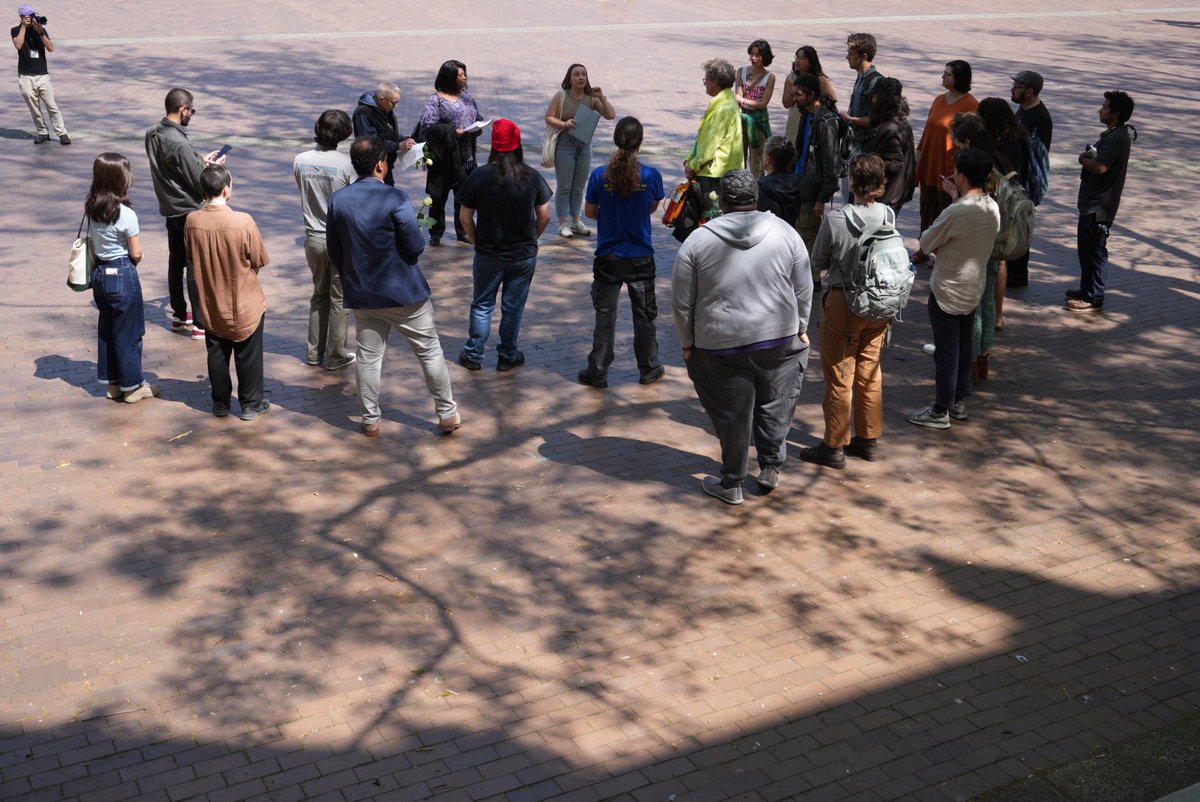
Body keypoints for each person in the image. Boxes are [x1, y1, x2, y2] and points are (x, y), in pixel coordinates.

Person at [671, 169, 813, 505]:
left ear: (721, 199)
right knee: (776, 404)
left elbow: (681, 302)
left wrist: (687, 343)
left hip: (719, 344)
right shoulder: (785, 232)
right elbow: (803, 286)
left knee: (731, 415)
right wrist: (803, 326)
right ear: (756, 196)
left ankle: (732, 483)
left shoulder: (698, 241)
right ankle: (770, 467)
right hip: (779, 338)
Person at [326, 136, 461, 437]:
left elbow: (334, 251)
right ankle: (447, 413)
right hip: (404, 292)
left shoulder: (338, 199)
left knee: (368, 357)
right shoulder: (395, 197)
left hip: (363, 293)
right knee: (429, 351)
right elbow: (415, 244)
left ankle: (370, 419)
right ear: (380, 165)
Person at [800, 155, 893, 468]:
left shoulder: (837, 219)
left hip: (844, 300)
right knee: (870, 371)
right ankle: (868, 439)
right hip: (880, 304)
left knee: (840, 373)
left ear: (852, 182)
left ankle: (834, 445)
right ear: (880, 184)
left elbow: (818, 260)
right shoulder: (888, 215)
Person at [907, 149, 1000, 429]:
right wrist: (955, 197)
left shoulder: (957, 211)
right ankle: (958, 401)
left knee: (947, 350)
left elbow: (926, 242)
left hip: (948, 287)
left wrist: (953, 204)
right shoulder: (991, 206)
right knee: (963, 345)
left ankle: (940, 410)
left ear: (961, 175)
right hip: (974, 287)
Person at [456, 119, 553, 372]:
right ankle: (507, 355)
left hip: (488, 253)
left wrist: (477, 241)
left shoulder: (479, 175)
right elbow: (545, 215)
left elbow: (465, 217)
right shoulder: (531, 176)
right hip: (523, 255)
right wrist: (533, 237)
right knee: (513, 307)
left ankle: (474, 354)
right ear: (518, 144)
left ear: (493, 147)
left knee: (482, 304)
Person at [577, 117, 666, 388]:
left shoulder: (599, 174)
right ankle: (649, 368)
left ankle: (598, 371)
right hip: (640, 255)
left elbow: (589, 212)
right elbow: (652, 206)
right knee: (645, 315)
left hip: (609, 257)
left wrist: (610, 214)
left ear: (616, 139)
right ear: (640, 140)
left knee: (605, 315)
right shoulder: (651, 175)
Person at [184, 165, 272, 421]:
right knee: (249, 353)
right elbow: (259, 258)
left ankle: (220, 403)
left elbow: (190, 254)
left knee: (217, 352)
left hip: (211, 299)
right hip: (245, 300)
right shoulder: (243, 221)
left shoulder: (192, 221)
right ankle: (250, 404)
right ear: (226, 189)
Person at [145, 87, 224, 341]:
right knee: (194, 266)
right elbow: (198, 181)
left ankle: (179, 315)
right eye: (192, 110)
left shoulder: (153, 132)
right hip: (189, 209)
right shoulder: (179, 142)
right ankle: (200, 322)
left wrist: (201, 160)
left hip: (170, 207)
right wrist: (212, 169)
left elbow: (175, 167)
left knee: (175, 261)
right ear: (183, 109)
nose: (192, 114)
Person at [85, 153, 157, 404]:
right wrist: (138, 256)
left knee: (107, 329)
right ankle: (133, 386)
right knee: (130, 332)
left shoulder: (92, 206)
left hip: (100, 274)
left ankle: (112, 383)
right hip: (122, 272)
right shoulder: (125, 213)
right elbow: (136, 253)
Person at [294, 110, 357, 372]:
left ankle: (313, 352)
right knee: (340, 298)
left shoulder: (300, 160)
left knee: (319, 294)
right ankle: (335, 355)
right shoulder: (345, 165)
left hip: (313, 238)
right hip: (340, 239)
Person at [1067, 91, 1135, 313]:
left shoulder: (1116, 138)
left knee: (1094, 251)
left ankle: (1093, 297)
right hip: (1094, 203)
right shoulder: (1116, 134)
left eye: (1105, 107)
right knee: (1086, 251)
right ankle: (1087, 289)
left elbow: (1101, 167)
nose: (1100, 109)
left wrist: (1084, 159)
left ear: (1115, 114)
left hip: (1099, 206)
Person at [912, 61, 978, 263]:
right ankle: (924, 247)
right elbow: (927, 131)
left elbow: (971, 140)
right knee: (927, 208)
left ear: (959, 78)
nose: (943, 76)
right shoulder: (939, 99)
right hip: (930, 163)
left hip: (949, 167)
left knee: (944, 210)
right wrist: (918, 158)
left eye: (947, 74)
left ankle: (942, 252)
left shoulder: (971, 105)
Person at [414, 60, 484, 245]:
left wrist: (478, 127)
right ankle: (436, 233)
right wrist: (453, 132)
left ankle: (463, 231)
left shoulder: (467, 97)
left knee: (464, 195)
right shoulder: (435, 100)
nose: (464, 78)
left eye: (464, 74)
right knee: (438, 197)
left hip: (466, 154)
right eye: (460, 75)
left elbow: (478, 117)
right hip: (443, 156)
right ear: (449, 77)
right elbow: (428, 126)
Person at [544, 63, 616, 238]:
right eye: (576, 74)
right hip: (565, 145)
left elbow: (610, 115)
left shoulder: (591, 98)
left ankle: (576, 221)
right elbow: (548, 117)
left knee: (579, 187)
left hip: (584, 146)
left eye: (584, 74)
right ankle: (562, 223)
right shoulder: (561, 96)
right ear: (569, 78)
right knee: (564, 186)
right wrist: (564, 124)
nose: (581, 77)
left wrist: (602, 97)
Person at [977, 97, 1029, 330]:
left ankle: (993, 313)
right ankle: (997, 314)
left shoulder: (997, 144)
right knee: (1000, 261)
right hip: (1006, 206)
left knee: (994, 261)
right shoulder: (1016, 138)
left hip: (996, 205)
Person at [790, 73, 840, 286]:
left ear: (812, 95)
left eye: (798, 94)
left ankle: (812, 279)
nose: (795, 99)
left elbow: (831, 165)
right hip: (801, 182)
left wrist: (822, 198)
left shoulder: (826, 122)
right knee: (802, 230)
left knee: (808, 233)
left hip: (814, 188)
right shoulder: (806, 114)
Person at [1009, 69, 1053, 288]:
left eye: (1017, 87)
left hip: (1026, 181)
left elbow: (1035, 153)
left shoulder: (1038, 117)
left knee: (1019, 227)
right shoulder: (1024, 109)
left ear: (1031, 91)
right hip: (1019, 179)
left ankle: (1018, 275)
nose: (1013, 89)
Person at [684, 58, 744, 201]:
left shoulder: (724, 108)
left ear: (715, 82)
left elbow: (710, 146)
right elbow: (703, 139)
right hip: (715, 172)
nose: (705, 83)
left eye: (706, 79)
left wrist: (692, 166)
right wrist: (689, 160)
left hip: (715, 175)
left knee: (712, 217)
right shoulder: (723, 103)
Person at [12, 4, 66, 144]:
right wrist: (24, 27)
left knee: (51, 106)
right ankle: (42, 132)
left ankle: (62, 133)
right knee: (34, 108)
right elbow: (18, 45)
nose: (33, 18)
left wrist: (40, 31)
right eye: (29, 16)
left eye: (33, 15)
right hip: (25, 76)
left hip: (42, 75)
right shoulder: (15, 30)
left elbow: (50, 48)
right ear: (22, 17)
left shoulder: (41, 30)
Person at [861, 76, 915, 213]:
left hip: (886, 198)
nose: (871, 101)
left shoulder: (890, 129)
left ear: (882, 99)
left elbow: (893, 165)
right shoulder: (896, 122)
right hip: (889, 196)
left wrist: (864, 169)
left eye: (874, 97)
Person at [839, 33, 880, 202]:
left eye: (851, 53)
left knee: (858, 197)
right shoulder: (860, 78)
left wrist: (850, 119)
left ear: (864, 56)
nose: (847, 56)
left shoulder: (874, 81)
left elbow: (875, 119)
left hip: (864, 149)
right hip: (853, 146)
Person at [351, 81, 415, 186]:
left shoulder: (385, 108)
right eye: (394, 103)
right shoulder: (363, 113)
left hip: (385, 165)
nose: (396, 106)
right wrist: (398, 146)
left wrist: (404, 139)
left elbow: (388, 133)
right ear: (382, 99)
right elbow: (370, 144)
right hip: (372, 170)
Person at [734, 39, 777, 178]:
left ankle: (757, 192)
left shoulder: (769, 77)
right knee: (738, 158)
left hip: (758, 123)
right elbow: (737, 97)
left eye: (757, 55)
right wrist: (743, 101)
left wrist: (743, 100)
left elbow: (763, 104)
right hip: (741, 120)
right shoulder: (742, 71)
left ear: (765, 57)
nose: (753, 58)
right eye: (752, 54)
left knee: (757, 162)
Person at [782, 46, 837, 144]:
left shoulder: (820, 79)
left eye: (802, 58)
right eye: (797, 57)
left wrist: (816, 106)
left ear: (811, 62)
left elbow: (832, 99)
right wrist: (795, 91)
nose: (798, 61)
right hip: (794, 122)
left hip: (813, 121)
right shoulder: (791, 77)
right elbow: (786, 104)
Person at [756, 135, 803, 225]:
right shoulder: (798, 183)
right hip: (789, 233)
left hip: (768, 235)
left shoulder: (761, 187)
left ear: (768, 159)